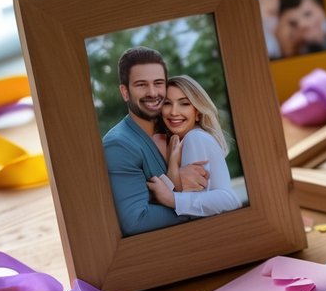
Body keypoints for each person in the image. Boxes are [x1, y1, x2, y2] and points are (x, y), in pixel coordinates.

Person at [101, 47, 209, 237]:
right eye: (141, 85)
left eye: (158, 83)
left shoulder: (177, 125)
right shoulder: (118, 145)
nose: (153, 92)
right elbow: (136, 220)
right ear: (125, 92)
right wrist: (178, 186)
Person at [147, 76, 242, 218]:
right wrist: (173, 167)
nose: (174, 112)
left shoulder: (194, 138)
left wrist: (172, 199)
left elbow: (228, 200)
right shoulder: (179, 142)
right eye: (167, 103)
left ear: (197, 113)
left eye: (184, 103)